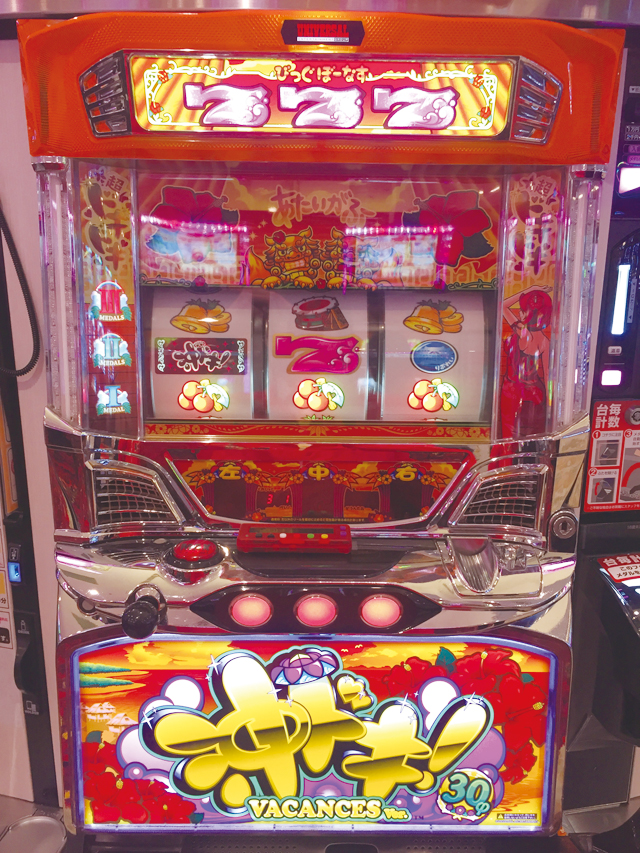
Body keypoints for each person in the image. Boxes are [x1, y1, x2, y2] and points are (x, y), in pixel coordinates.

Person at [500, 286, 552, 439]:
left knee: (509, 433)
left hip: (512, 388)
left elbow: (503, 306)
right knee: (531, 434)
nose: (519, 313)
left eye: (522, 310)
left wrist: (531, 288)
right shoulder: (545, 341)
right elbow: (548, 376)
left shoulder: (523, 333)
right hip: (536, 392)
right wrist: (550, 403)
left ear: (527, 314)